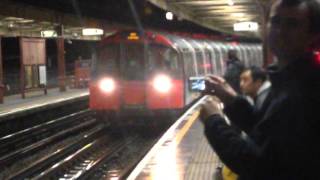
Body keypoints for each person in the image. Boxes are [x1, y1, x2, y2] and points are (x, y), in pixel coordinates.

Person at [200, 0, 320, 179]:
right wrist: (231, 99)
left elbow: (257, 164)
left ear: (313, 35)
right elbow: (267, 131)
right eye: (276, 21)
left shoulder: (305, 91)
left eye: (292, 24)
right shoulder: (288, 78)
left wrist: (214, 121)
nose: (280, 31)